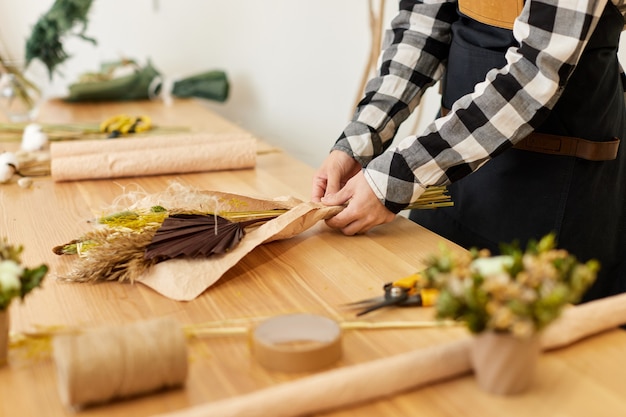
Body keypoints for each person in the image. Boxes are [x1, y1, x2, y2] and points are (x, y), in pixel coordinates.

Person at [312, 0, 626, 302]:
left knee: (528, 335)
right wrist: (358, 143)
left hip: (556, 181)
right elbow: (420, 28)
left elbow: (534, 76)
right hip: (446, 169)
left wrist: (397, 178)